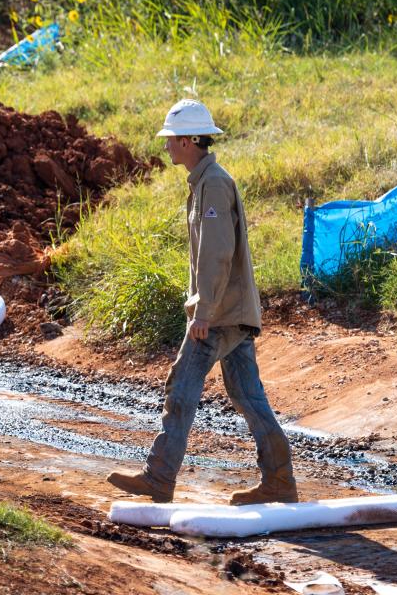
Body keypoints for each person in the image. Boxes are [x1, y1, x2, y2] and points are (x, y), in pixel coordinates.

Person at [106, 99, 297, 505]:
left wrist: (204, 312)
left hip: (220, 314)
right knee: (248, 396)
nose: (167, 147)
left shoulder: (212, 183)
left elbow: (216, 253)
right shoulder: (204, 180)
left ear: (192, 140)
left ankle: (159, 476)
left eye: (172, 140)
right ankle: (279, 481)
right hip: (231, 311)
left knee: (182, 386)